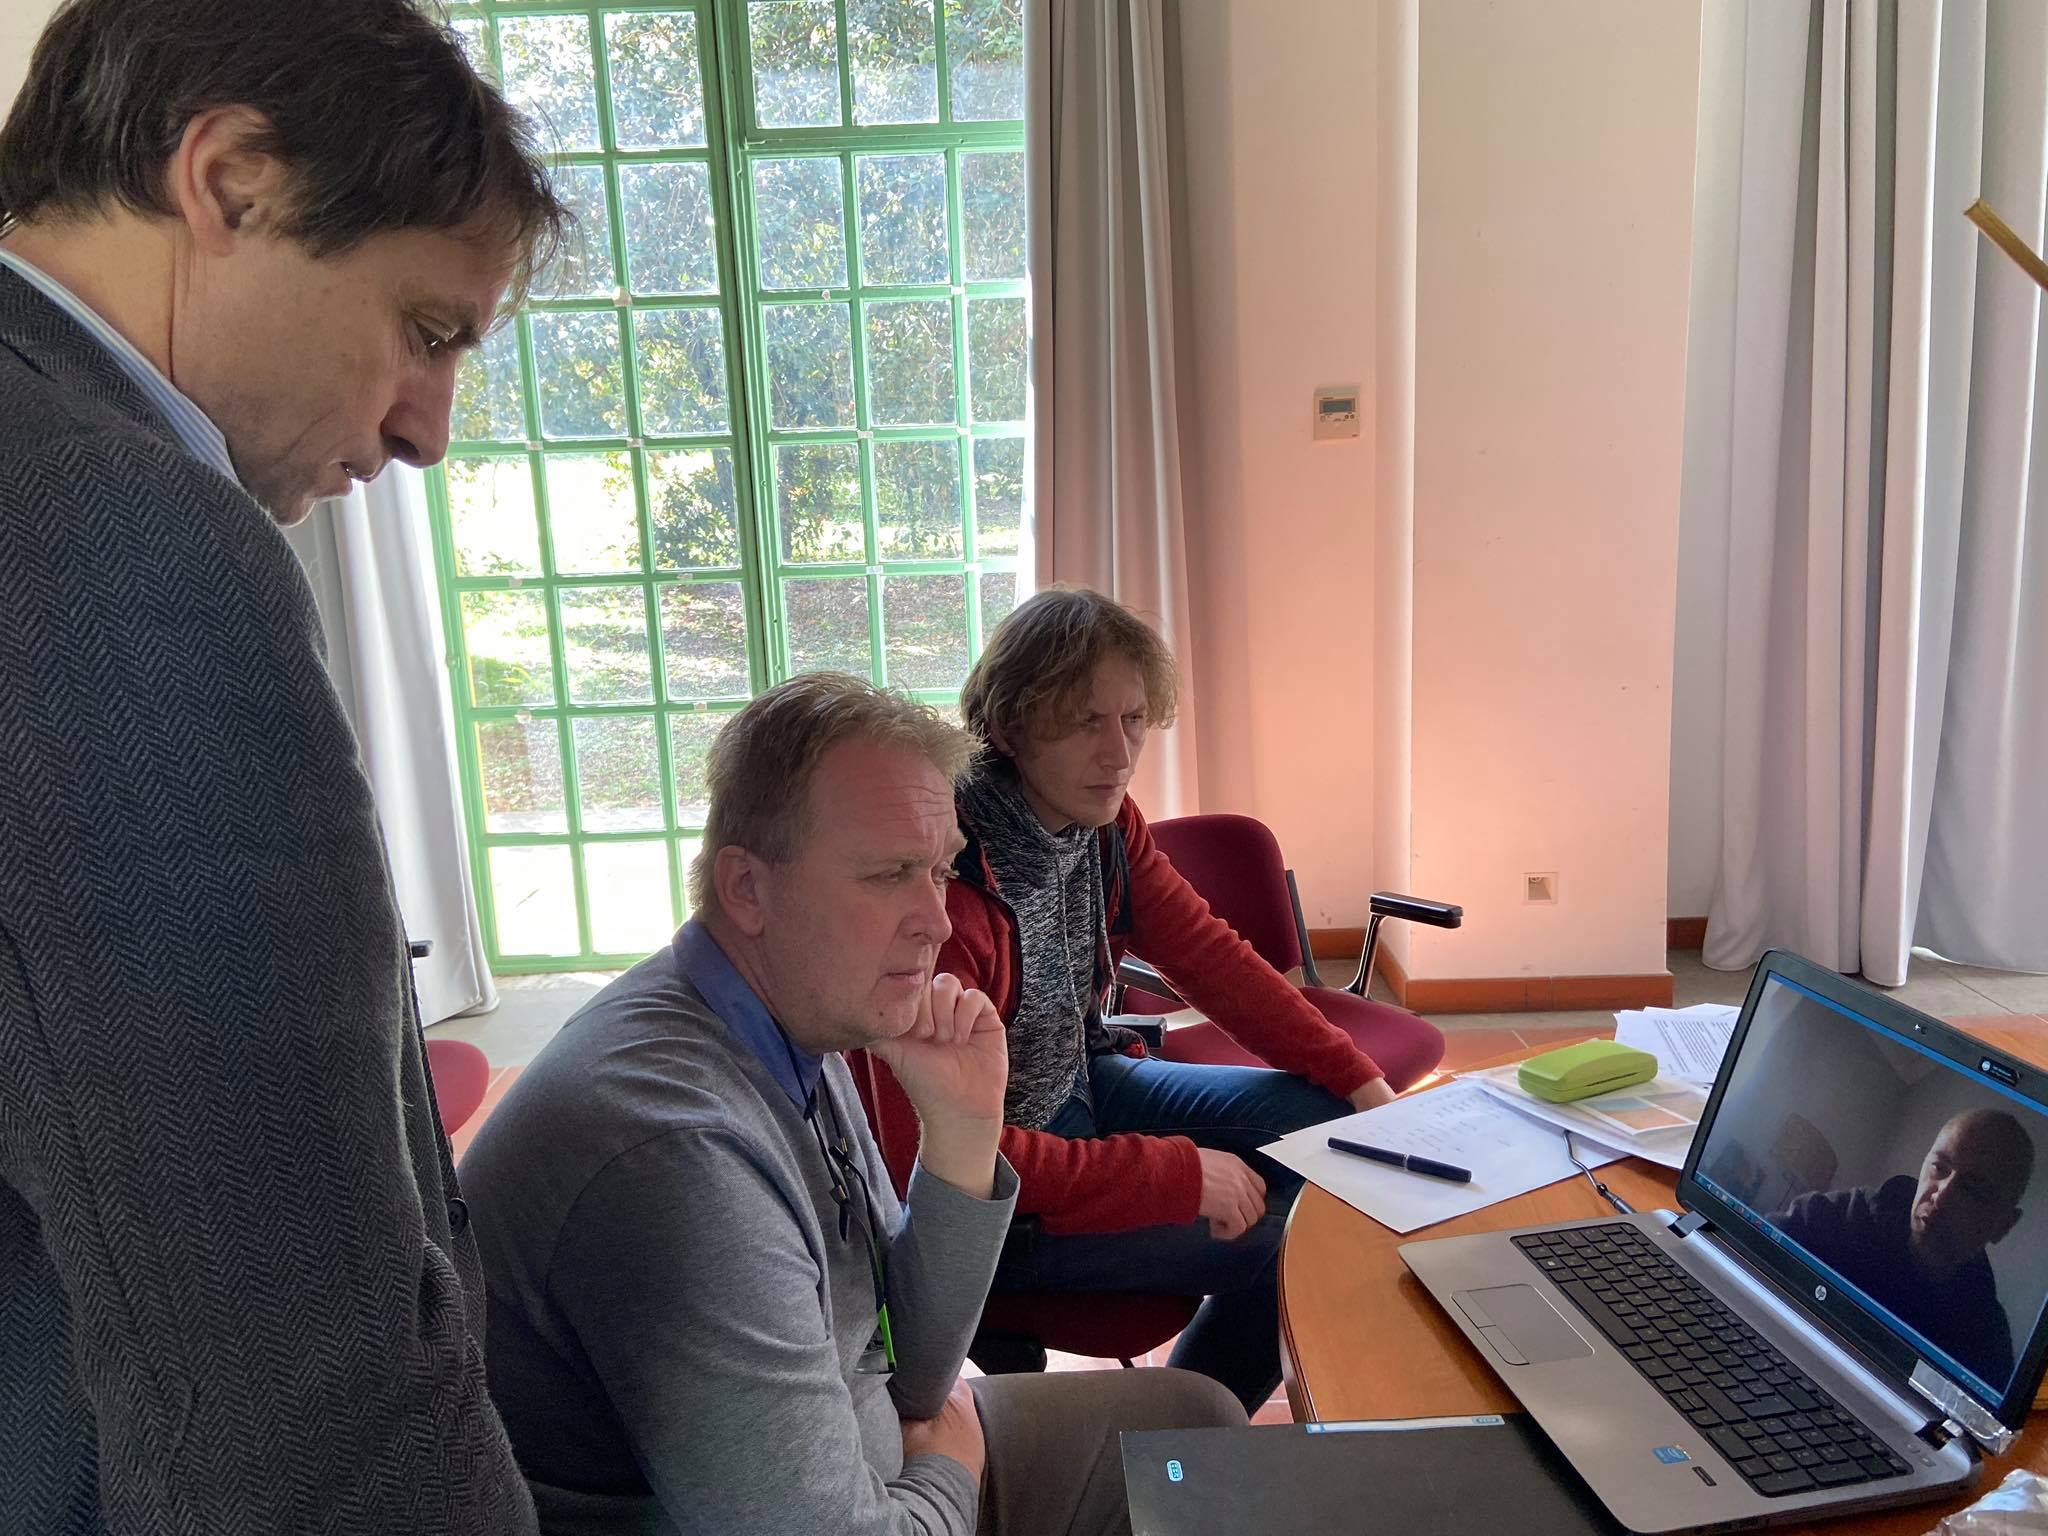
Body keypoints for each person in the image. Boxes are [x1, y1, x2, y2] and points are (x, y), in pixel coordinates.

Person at [0, 2, 566, 1529]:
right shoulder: (110, 533)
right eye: (427, 331)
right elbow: (300, 1399)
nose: (430, 431)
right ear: (232, 181)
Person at [461, 673, 1243, 1536]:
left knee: (1197, 1426)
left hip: (872, 1453)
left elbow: (910, 1369)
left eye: (940, 870)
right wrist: (950, 1472)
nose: (937, 922)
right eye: (889, 874)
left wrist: (961, 1136)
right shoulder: (675, 1160)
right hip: (856, 1501)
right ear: (746, 889)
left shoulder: (792, 1017)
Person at [937, 586, 1397, 1413]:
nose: (1119, 754)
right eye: (1085, 722)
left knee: (1339, 1130)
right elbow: (944, 1155)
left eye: (1134, 720)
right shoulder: (948, 884)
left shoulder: (1107, 824)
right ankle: (1187, 1433)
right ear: (1007, 727)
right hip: (999, 1196)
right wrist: (1175, 1177)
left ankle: (1189, 1422)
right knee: (1291, 1242)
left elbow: (1211, 959)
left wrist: (1356, 1076)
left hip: (1085, 1084)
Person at [1774, 1109, 2034, 1386]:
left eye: (1973, 1190)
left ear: (2003, 1225)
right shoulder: (1847, 1212)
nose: (1941, 1197)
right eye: (1940, 1168)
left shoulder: (1987, 1347)